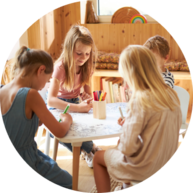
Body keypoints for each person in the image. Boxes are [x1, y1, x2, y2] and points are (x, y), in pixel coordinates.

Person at [93, 45, 182, 193]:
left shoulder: (140, 99)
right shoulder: (171, 94)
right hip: (166, 159)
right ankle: (126, 185)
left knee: (98, 157)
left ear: (131, 75)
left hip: (145, 168)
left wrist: (124, 137)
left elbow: (127, 148)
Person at [0, 46, 73, 191]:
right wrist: (67, 119)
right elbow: (59, 132)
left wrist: (35, 121)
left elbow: (14, 122)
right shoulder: (30, 94)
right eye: (47, 80)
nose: (44, 86)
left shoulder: (3, 89)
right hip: (27, 157)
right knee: (71, 182)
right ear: (40, 70)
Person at [46, 25, 101, 168]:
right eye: (79, 53)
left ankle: (87, 149)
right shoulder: (60, 67)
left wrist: (88, 99)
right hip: (58, 105)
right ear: (69, 49)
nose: (84, 58)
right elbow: (51, 100)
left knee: (84, 124)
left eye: (87, 54)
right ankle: (88, 149)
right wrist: (78, 107)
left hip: (75, 102)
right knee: (60, 130)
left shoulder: (86, 67)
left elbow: (87, 93)